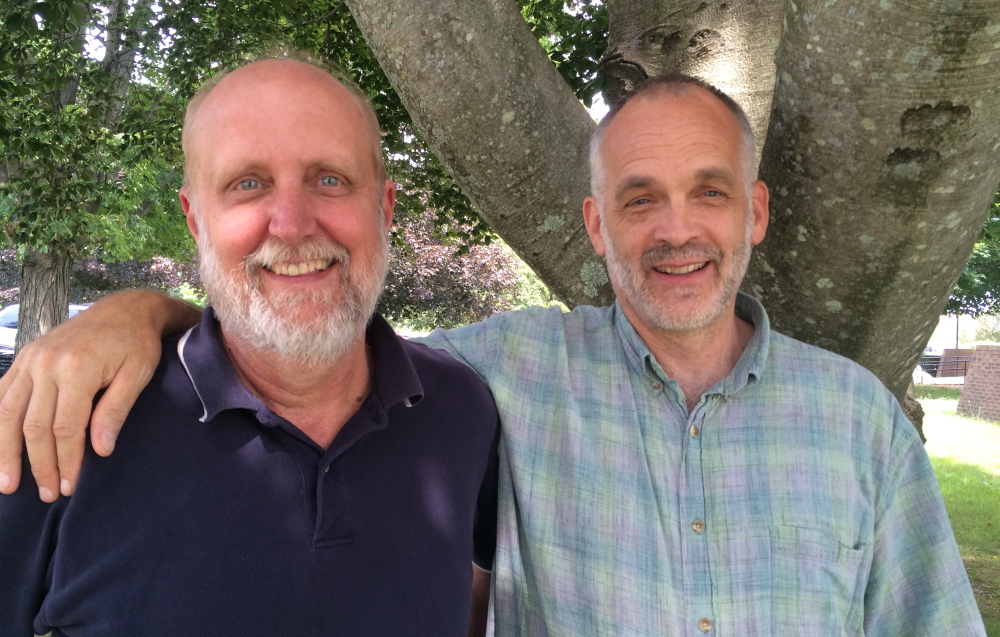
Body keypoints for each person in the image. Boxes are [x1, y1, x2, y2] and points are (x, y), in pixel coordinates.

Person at [0, 73, 986, 636]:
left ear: (756, 211)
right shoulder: (499, 378)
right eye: (639, 198)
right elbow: (296, 328)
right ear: (596, 226)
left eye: (710, 191)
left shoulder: (857, 421)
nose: (676, 230)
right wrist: (136, 314)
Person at [0, 56, 500, 637]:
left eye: (329, 179)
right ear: (195, 220)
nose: (291, 223)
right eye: (248, 184)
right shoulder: (61, 424)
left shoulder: (461, 408)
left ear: (384, 209)